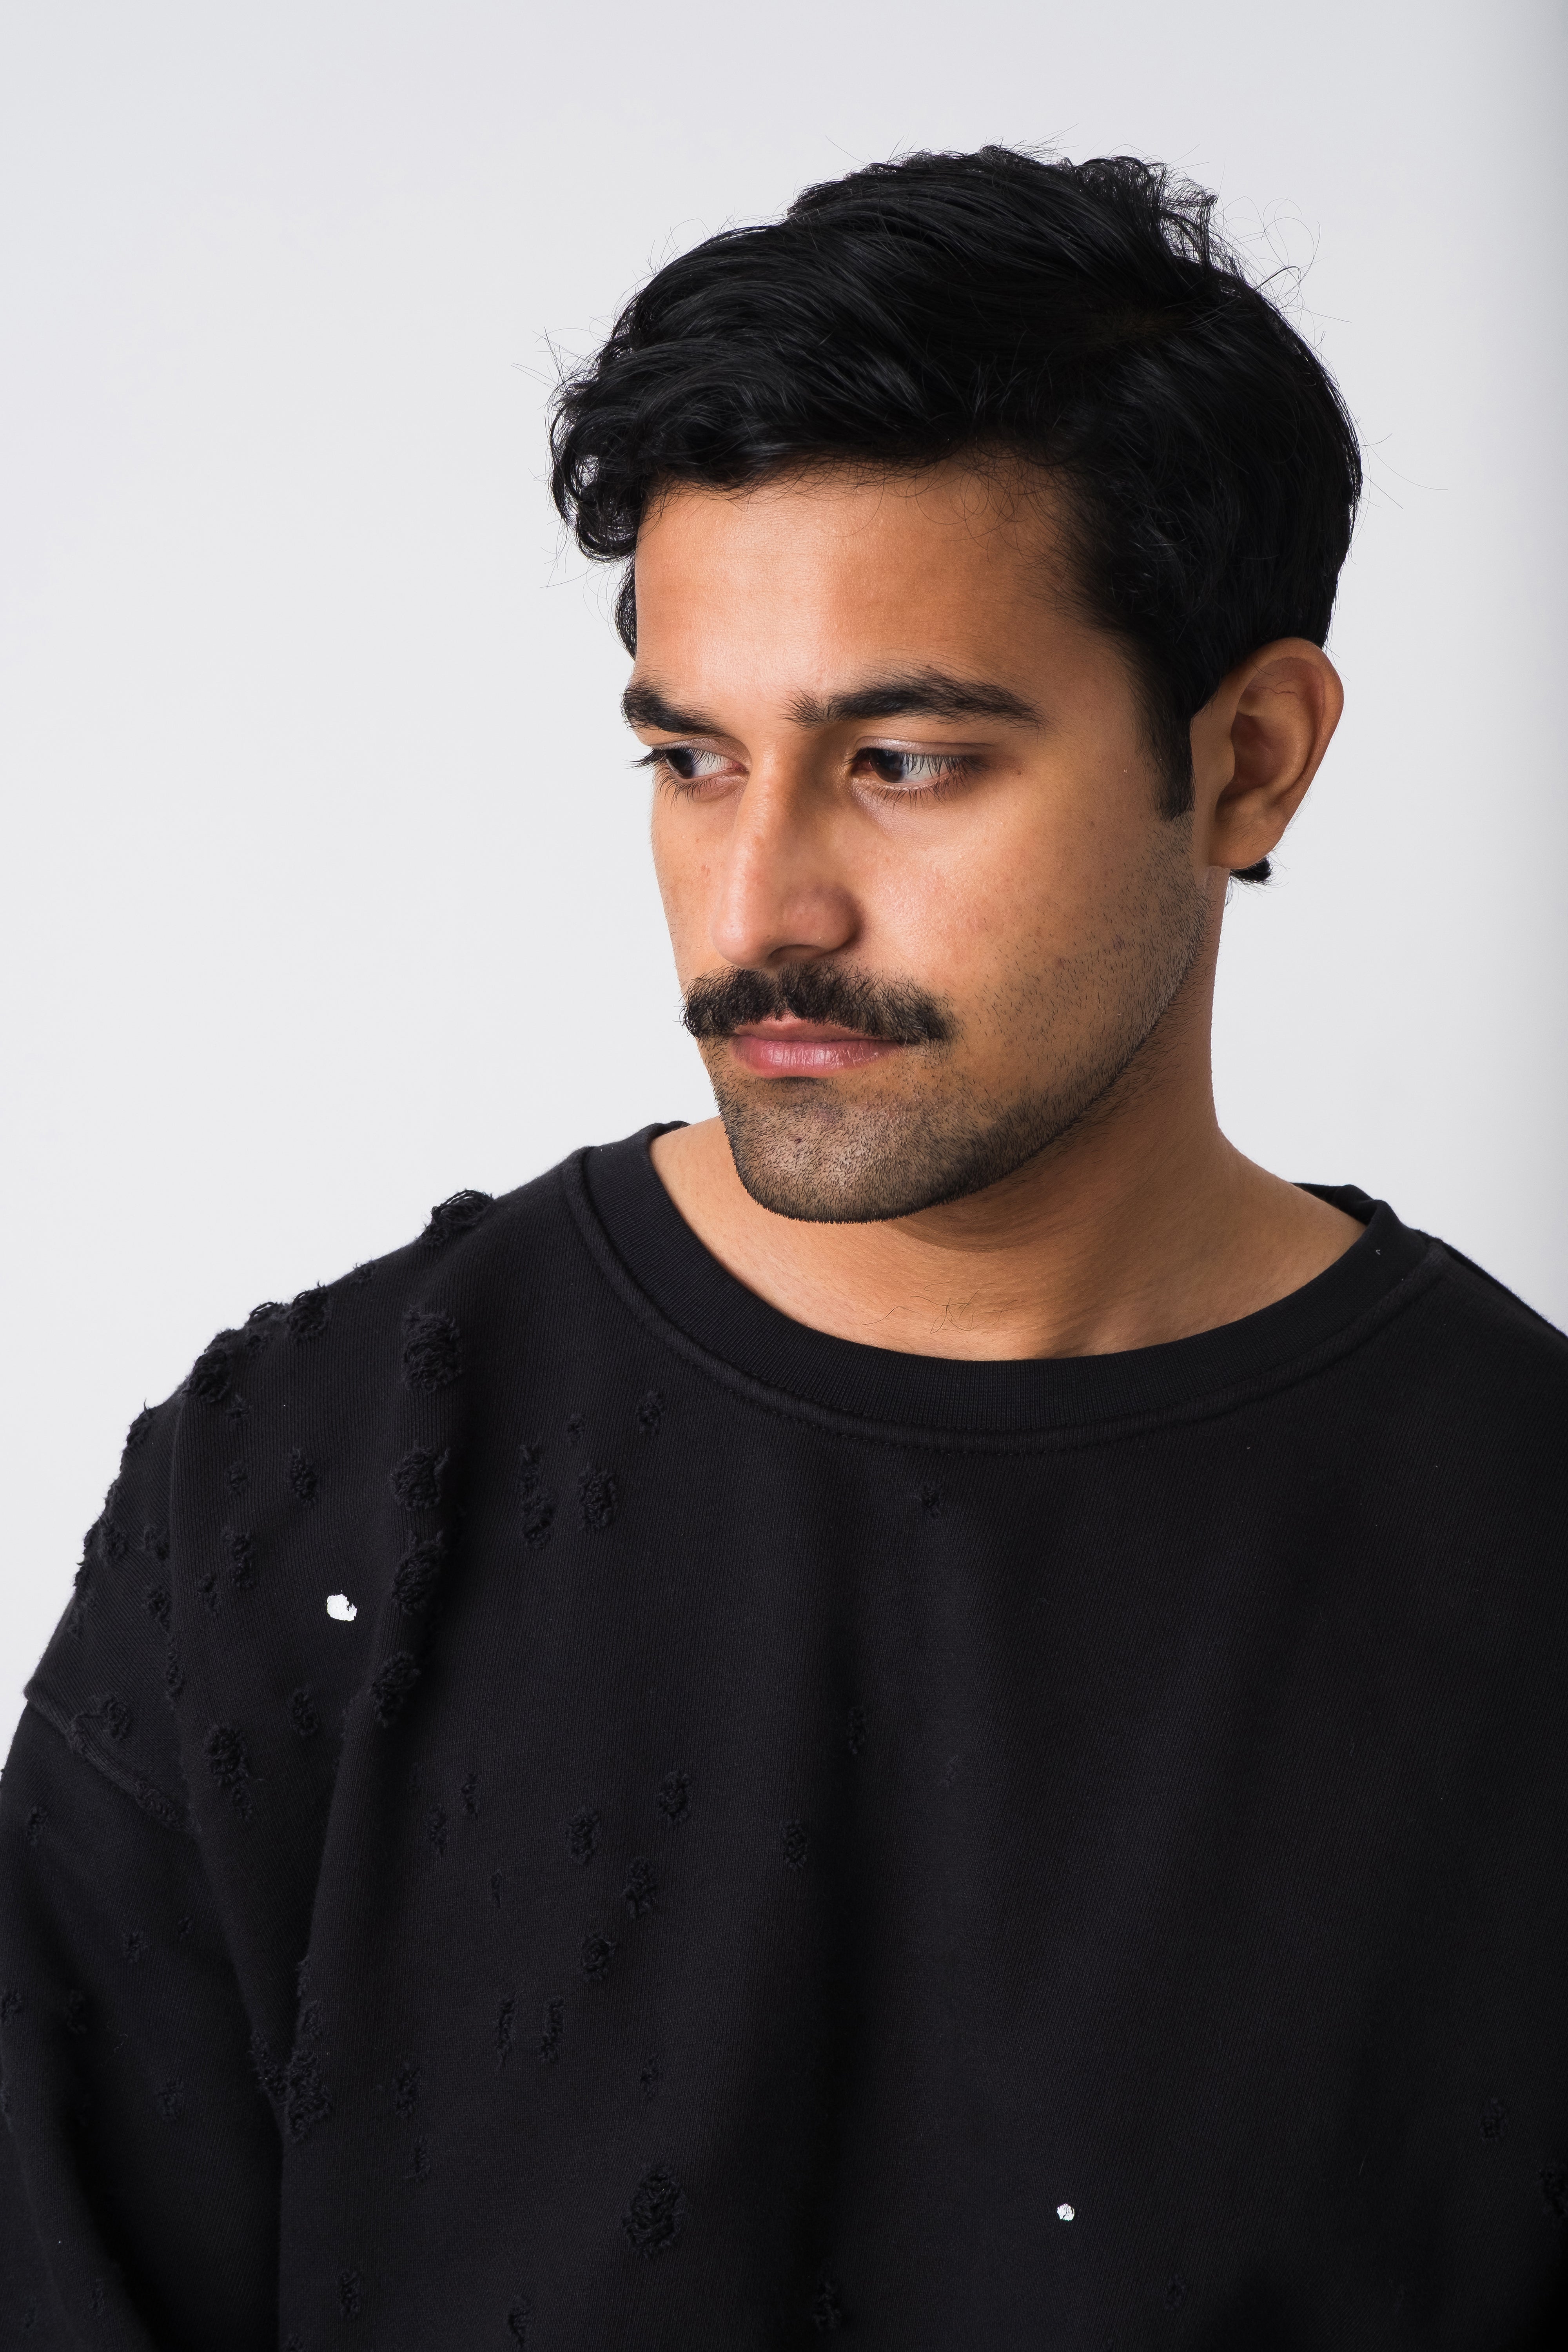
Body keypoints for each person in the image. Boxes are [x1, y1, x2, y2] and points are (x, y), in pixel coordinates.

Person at [1, 145, 1563, 2350]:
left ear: (1249, 759)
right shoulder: (306, 1488)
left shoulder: (1517, 1549)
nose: (758, 913)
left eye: (902, 762)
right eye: (692, 760)